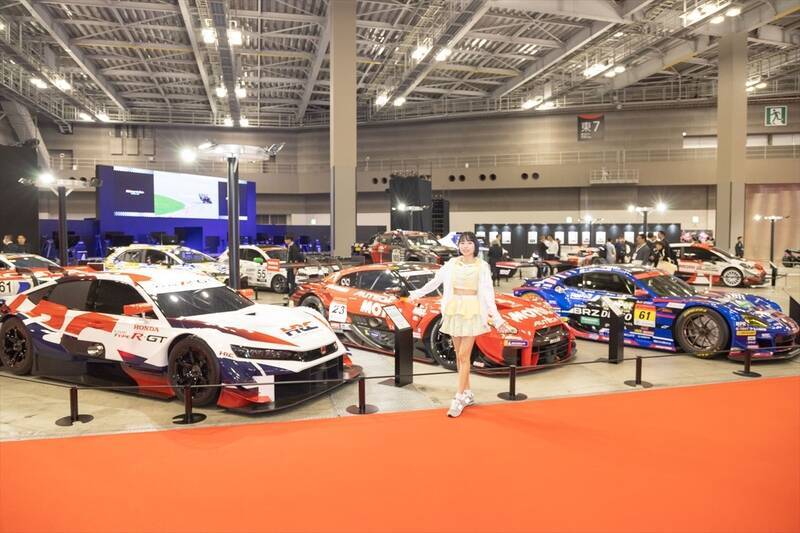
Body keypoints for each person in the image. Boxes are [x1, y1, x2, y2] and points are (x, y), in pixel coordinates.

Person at [408, 232, 515, 418]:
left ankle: (458, 397)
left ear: (475, 246)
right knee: (459, 356)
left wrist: (497, 319)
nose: (465, 246)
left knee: (465, 355)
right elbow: (435, 282)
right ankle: (467, 393)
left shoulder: (482, 266)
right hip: (454, 309)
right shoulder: (451, 264)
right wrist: (417, 293)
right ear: (458, 246)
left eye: (469, 243)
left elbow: (488, 294)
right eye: (462, 243)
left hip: (472, 311)